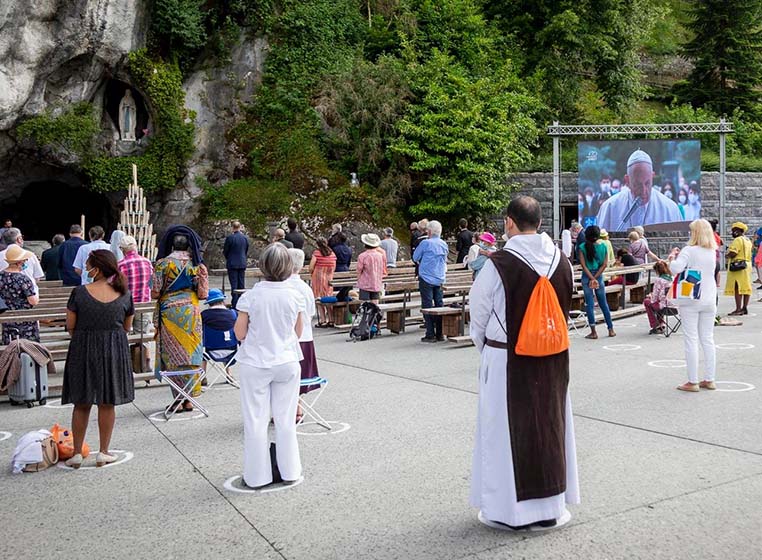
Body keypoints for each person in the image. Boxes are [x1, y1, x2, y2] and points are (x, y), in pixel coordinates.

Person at [469, 195, 579, 531]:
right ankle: (551, 506)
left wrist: (485, 348)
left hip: (506, 358)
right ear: (541, 223)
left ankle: (509, 512)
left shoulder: (498, 264)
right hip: (553, 357)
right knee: (551, 426)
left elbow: (479, 314)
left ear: (509, 223)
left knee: (504, 433)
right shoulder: (562, 261)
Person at [234, 243, 305, 489]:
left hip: (256, 362)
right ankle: (290, 470)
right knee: (286, 420)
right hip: (286, 360)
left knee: (255, 420)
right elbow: (298, 332)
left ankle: (257, 476)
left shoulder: (251, 296)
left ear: (262, 266)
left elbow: (240, 333)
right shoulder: (294, 295)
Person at [61, 250, 135, 468]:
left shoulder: (79, 292)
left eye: (88, 265)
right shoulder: (124, 294)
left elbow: (70, 326)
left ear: (98, 268)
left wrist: (86, 336)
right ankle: (103, 451)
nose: (85, 268)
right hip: (113, 349)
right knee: (107, 402)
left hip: (83, 348)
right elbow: (127, 326)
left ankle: (76, 453)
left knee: (81, 403)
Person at [152, 227, 209, 413]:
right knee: (191, 354)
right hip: (191, 311)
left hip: (169, 313)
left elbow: (155, 292)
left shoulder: (162, 264)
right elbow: (203, 293)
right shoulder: (197, 265)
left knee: (172, 356)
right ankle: (190, 398)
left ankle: (177, 397)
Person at [667, 219, 717, 392]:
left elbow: (676, 269)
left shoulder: (689, 250)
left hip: (691, 299)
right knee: (707, 339)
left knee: (691, 339)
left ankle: (692, 381)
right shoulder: (712, 251)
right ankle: (709, 379)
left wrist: (671, 257)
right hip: (710, 299)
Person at [596, 150, 682, 231]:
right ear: (627, 181)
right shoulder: (610, 207)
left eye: (647, 183)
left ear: (652, 176)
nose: (644, 191)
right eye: (637, 185)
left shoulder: (670, 209)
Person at [287, 248, 320, 422]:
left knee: (285, 377)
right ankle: (297, 408)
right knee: (301, 375)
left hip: (286, 338)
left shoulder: (284, 286)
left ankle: (287, 410)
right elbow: (311, 312)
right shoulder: (305, 288)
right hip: (305, 336)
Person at [413, 220, 447, 342]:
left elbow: (415, 257)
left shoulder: (425, 243)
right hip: (439, 277)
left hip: (426, 277)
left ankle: (430, 333)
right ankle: (440, 333)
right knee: (439, 304)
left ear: (430, 231)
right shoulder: (444, 244)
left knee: (427, 304)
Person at [579, 225, 616, 339]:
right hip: (599, 275)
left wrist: (591, 278)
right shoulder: (604, 246)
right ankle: (610, 329)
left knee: (589, 304)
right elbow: (605, 264)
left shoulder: (582, 247)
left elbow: (583, 265)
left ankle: (593, 331)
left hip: (587, 276)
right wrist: (596, 277)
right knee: (603, 303)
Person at [0, 245, 40, 344]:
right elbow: (33, 301)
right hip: (24, 319)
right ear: (19, 262)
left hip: (6, 317)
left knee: (9, 345)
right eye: (25, 261)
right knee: (28, 347)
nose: (25, 262)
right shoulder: (23, 279)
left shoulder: (1, 276)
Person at [201, 288, 238, 383]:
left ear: (209, 303)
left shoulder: (204, 315)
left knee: (201, 349)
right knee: (225, 340)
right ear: (223, 300)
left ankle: (203, 376)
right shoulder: (233, 314)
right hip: (231, 352)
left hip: (211, 352)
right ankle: (228, 374)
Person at [118, 235, 154, 333]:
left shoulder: (120, 265)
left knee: (124, 337)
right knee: (142, 340)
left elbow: (115, 287)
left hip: (126, 307)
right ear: (136, 246)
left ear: (122, 250)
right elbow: (151, 284)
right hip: (144, 305)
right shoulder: (147, 262)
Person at [0, 228, 44, 293]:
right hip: (28, 295)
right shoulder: (31, 255)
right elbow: (37, 277)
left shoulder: (1, 255)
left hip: (4, 295)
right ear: (19, 239)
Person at [725, 222, 753, 315]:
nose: (732, 233)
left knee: (737, 287)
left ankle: (738, 309)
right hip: (747, 265)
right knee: (746, 287)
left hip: (738, 266)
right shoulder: (747, 240)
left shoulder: (737, 240)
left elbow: (734, 253)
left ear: (738, 231)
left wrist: (727, 255)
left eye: (733, 231)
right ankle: (744, 308)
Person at [310, 237, 336, 327]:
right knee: (328, 297)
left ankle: (323, 319)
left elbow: (311, 267)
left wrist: (312, 272)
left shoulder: (316, 253)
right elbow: (334, 267)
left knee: (318, 298)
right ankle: (331, 319)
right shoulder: (332, 254)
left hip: (318, 278)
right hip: (329, 278)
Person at [643, 260, 674, 334]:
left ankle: (655, 325)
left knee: (647, 302)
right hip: (675, 306)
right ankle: (661, 323)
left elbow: (655, 298)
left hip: (664, 306)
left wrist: (650, 296)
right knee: (659, 302)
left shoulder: (659, 280)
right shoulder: (673, 278)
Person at [224, 221, 249, 308]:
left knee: (234, 284)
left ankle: (235, 304)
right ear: (240, 227)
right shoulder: (245, 238)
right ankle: (242, 303)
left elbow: (225, 251)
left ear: (232, 227)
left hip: (232, 263)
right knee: (241, 284)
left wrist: (229, 258)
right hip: (242, 262)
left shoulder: (230, 238)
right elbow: (246, 250)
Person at [357, 233, 386, 305]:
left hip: (365, 284)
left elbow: (359, 270)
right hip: (377, 283)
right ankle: (374, 316)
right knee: (375, 305)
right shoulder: (380, 255)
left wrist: (358, 279)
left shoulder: (362, 256)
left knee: (365, 306)